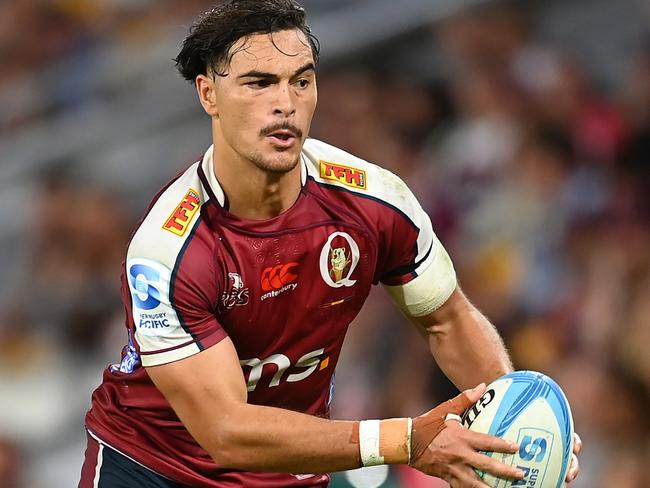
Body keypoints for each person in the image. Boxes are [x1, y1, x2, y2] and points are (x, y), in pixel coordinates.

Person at [78, 1, 581, 487]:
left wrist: (512, 425)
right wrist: (406, 439)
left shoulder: (375, 202)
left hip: (286, 469)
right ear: (209, 94)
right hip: (150, 467)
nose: (285, 103)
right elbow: (225, 431)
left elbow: (447, 319)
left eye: (301, 79)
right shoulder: (169, 250)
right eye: (259, 83)